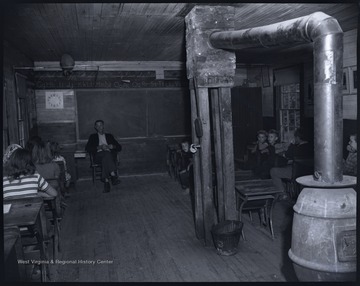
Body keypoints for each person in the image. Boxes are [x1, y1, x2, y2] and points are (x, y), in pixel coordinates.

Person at [270, 128, 313, 200]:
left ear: (298, 137)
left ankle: (282, 194)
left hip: (296, 172)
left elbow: (286, 155)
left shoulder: (295, 148)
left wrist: (291, 145)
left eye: (295, 137)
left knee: (273, 171)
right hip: (309, 173)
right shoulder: (312, 147)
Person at [85, 119, 122, 193]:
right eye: (97, 125)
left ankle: (106, 181)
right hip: (98, 156)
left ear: (103, 126)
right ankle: (113, 175)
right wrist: (99, 147)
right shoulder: (93, 137)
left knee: (106, 156)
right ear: (95, 127)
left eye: (101, 125)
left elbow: (119, 147)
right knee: (106, 154)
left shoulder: (109, 136)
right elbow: (87, 148)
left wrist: (113, 146)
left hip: (108, 157)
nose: (99, 127)